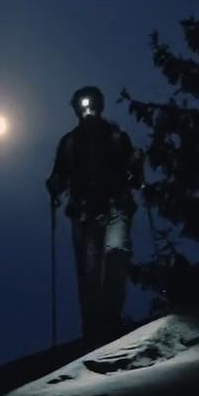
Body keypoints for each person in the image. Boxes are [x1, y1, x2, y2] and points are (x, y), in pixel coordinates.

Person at [47, 85, 143, 338]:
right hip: (85, 215)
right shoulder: (69, 143)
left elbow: (135, 178)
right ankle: (93, 326)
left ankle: (111, 319)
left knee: (116, 256)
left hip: (115, 209)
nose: (88, 112)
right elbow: (60, 176)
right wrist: (54, 184)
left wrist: (136, 166)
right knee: (89, 273)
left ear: (100, 108)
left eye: (91, 107)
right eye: (83, 108)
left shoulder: (116, 137)